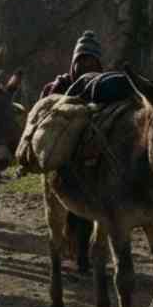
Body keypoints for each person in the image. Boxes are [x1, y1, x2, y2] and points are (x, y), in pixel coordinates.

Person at [40, 30, 107, 273]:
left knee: (90, 212)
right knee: (64, 212)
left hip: (94, 156)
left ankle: (83, 255)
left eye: (92, 61)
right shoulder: (60, 86)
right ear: (74, 62)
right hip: (65, 156)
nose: (87, 66)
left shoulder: (105, 87)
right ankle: (69, 252)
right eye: (82, 61)